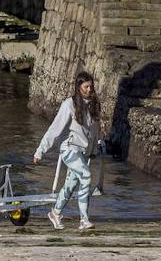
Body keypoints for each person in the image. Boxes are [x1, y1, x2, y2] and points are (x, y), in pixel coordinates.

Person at [34, 71, 102, 231]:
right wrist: (40, 151)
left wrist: (94, 149)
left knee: (70, 186)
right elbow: (54, 129)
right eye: (86, 86)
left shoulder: (94, 104)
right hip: (69, 149)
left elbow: (94, 130)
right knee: (86, 176)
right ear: (79, 87)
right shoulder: (68, 105)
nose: (89, 89)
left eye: (91, 86)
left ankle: (55, 213)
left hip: (83, 152)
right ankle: (84, 220)